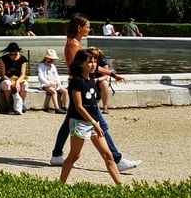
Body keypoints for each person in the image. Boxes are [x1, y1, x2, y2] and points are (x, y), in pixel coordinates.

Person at [49, 14, 141, 172]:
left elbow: (89, 66)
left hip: (80, 85)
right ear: (79, 28)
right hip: (81, 87)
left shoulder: (75, 43)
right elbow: (79, 67)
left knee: (68, 122)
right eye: (87, 26)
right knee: (101, 124)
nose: (89, 29)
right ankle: (117, 159)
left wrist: (109, 74)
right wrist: (106, 75)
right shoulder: (73, 45)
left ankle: (57, 155)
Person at [59, 50, 121, 185]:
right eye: (89, 62)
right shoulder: (76, 81)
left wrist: (113, 75)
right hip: (80, 122)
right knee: (74, 155)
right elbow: (78, 106)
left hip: (93, 123)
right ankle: (60, 184)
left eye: (94, 62)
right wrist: (94, 122)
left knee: (108, 155)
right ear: (81, 64)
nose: (93, 65)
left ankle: (120, 185)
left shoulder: (91, 80)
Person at [0, 42, 28, 114]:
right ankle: (9, 106)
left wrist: (17, 82)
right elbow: (3, 75)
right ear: (8, 53)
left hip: (18, 80)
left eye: (15, 54)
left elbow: (23, 74)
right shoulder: (3, 59)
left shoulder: (23, 59)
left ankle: (21, 104)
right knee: (7, 84)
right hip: (5, 80)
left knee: (25, 84)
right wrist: (11, 82)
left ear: (18, 52)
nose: (13, 56)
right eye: (11, 54)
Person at [36, 49, 69, 114]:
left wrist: (58, 83)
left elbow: (56, 76)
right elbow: (40, 77)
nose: (51, 61)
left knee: (65, 91)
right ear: (46, 58)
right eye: (50, 59)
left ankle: (65, 107)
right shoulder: (41, 66)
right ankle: (57, 108)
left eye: (52, 59)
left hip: (54, 84)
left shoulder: (53, 66)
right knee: (54, 92)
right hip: (45, 84)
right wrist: (49, 83)